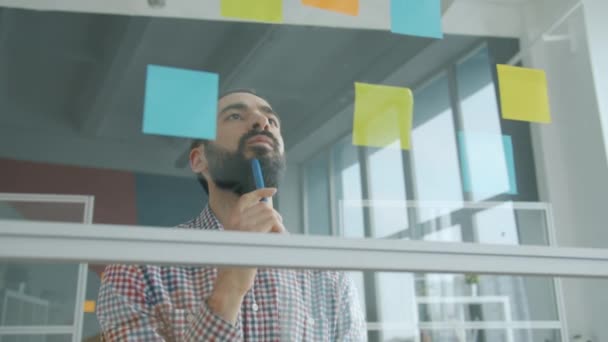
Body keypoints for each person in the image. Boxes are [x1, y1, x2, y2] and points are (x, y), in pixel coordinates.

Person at [97, 90, 367, 341]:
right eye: (235, 116)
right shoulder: (137, 268)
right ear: (198, 160)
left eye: (271, 119)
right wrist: (228, 288)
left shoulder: (329, 279)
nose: (262, 121)